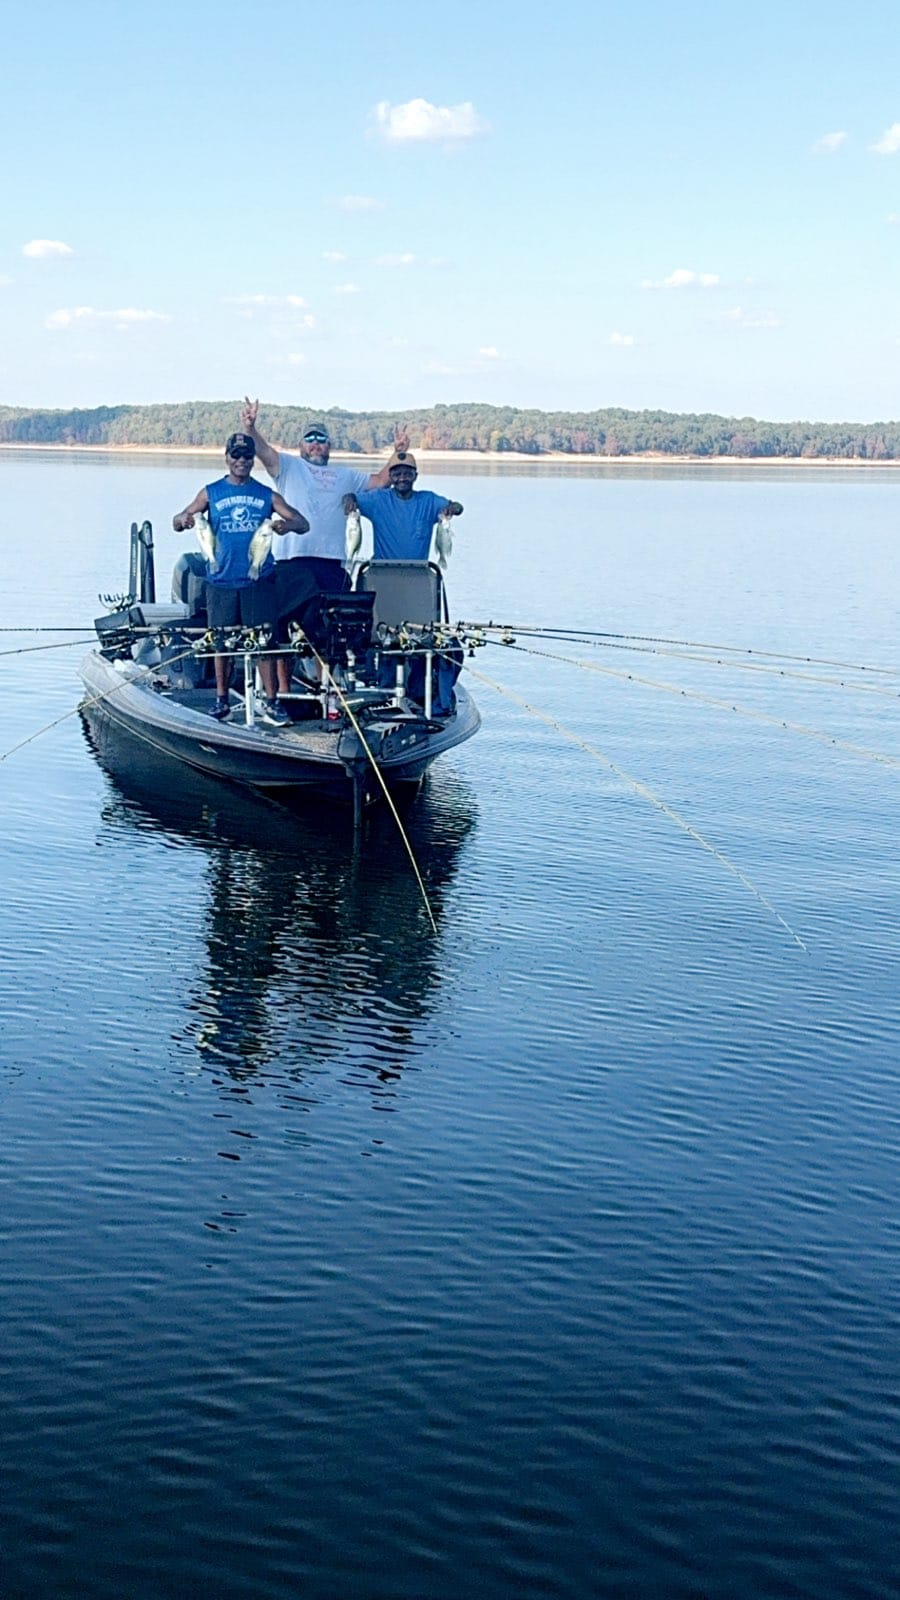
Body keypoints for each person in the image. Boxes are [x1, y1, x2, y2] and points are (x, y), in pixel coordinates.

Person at [239, 400, 409, 692]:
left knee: (328, 629)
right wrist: (250, 428)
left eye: (321, 440)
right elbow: (264, 452)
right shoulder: (288, 467)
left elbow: (381, 480)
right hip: (292, 560)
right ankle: (283, 691)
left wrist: (398, 452)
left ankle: (326, 689)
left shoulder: (345, 474)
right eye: (310, 439)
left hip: (332, 563)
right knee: (282, 629)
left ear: (329, 445)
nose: (316, 444)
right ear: (302, 445)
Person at [172, 432, 309, 722]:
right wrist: (184, 520)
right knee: (221, 643)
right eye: (236, 455)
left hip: (258, 582)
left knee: (264, 642)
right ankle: (221, 699)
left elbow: (302, 523)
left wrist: (287, 525)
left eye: (247, 456)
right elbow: (178, 519)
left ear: (253, 460)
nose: (241, 461)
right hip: (220, 582)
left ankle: (271, 701)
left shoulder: (265, 494)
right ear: (226, 458)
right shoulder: (210, 492)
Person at [342, 450, 463, 560]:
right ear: (390, 477)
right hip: (382, 570)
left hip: (418, 572)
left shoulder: (429, 500)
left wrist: (452, 508)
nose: (402, 478)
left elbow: (458, 508)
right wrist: (349, 499)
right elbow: (350, 497)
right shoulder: (378, 499)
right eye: (397, 474)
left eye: (407, 474)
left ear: (415, 476)